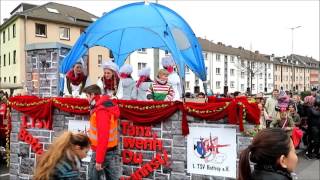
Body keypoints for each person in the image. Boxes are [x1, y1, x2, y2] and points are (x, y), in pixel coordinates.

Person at [82, 84, 121, 180]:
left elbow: (103, 136)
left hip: (102, 153)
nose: (86, 99)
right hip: (111, 151)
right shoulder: (106, 106)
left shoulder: (101, 111)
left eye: (87, 96)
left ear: (92, 95)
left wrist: (99, 160)